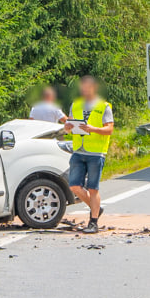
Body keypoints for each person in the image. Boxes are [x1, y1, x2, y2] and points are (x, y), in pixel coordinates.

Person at [64, 76, 114, 234]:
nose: (85, 90)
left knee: (93, 188)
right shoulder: (76, 104)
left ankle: (93, 222)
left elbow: (110, 129)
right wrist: (68, 127)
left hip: (96, 152)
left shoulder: (103, 106)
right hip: (78, 150)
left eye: (88, 87)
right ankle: (96, 209)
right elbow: (69, 125)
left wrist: (94, 129)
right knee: (74, 186)